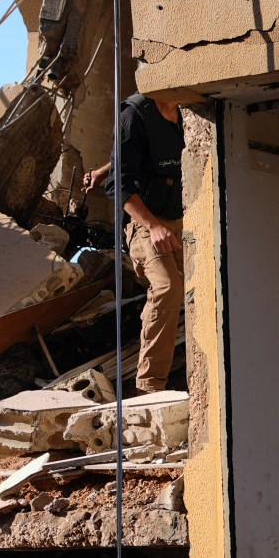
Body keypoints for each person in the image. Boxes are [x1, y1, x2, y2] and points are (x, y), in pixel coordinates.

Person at [111, 92, 184, 394]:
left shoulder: (189, 112)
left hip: (186, 222)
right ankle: (149, 386)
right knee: (168, 287)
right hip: (146, 224)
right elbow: (119, 184)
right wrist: (153, 226)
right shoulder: (133, 116)